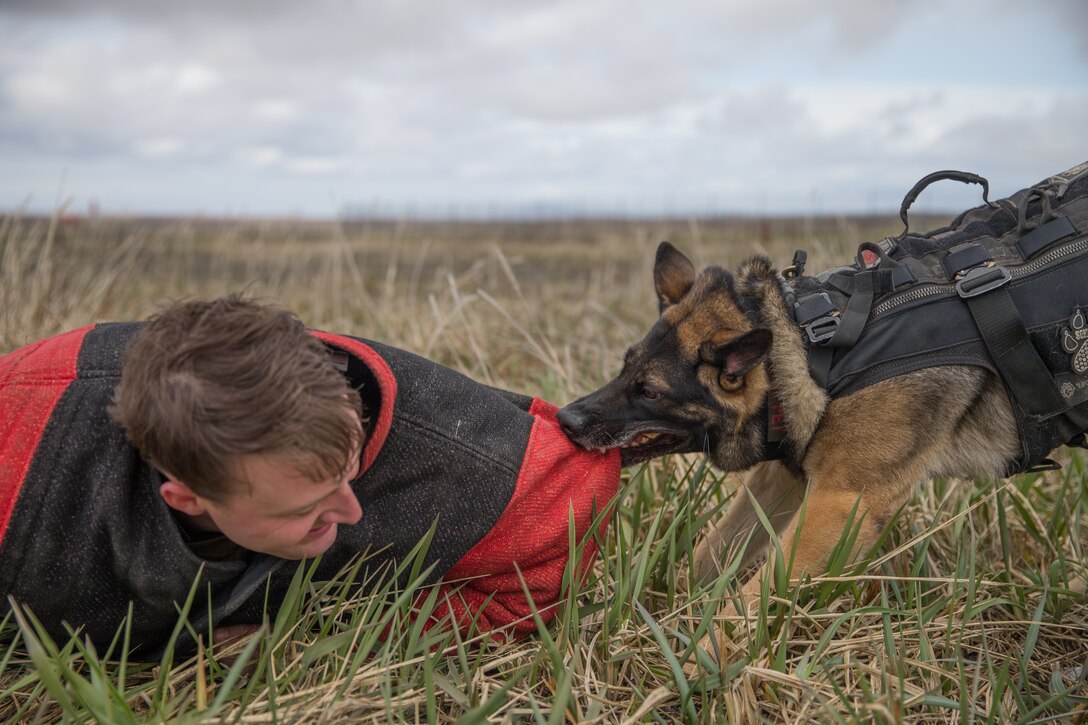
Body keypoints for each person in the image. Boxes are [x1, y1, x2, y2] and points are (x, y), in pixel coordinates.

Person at [0, 295, 620, 658]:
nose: (352, 512)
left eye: (348, 471)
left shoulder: (475, 464)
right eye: (303, 507)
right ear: (186, 495)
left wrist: (320, 628)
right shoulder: (23, 486)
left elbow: (530, 588)